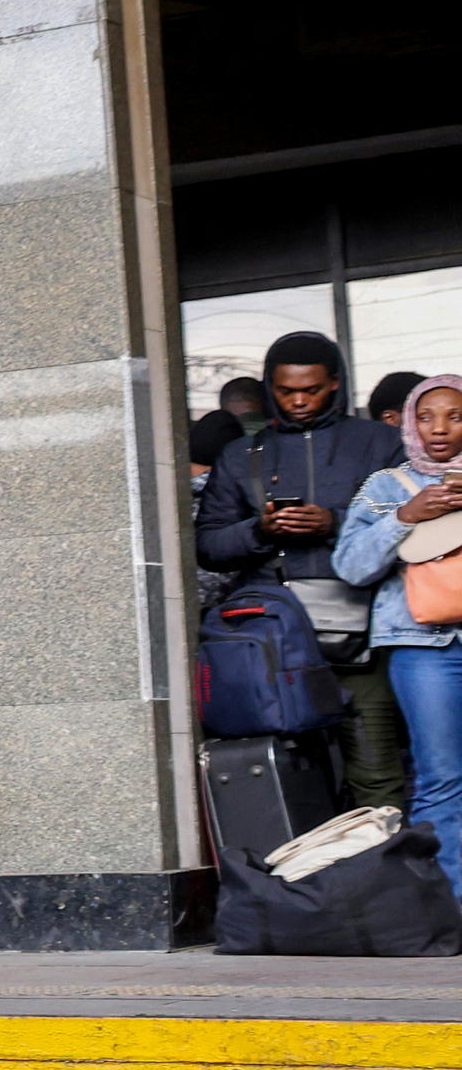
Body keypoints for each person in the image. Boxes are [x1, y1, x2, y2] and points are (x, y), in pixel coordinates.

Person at [195, 328, 408, 812]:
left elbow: (414, 531)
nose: (298, 401)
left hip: (363, 633)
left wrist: (334, 525)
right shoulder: (241, 454)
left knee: (376, 771)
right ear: (271, 386)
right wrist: (261, 530)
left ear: (335, 383)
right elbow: (207, 544)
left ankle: (380, 879)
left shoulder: (380, 443)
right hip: (272, 635)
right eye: (286, 390)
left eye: (310, 389)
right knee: (281, 774)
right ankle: (304, 881)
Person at [340, 375, 462, 851]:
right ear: (409, 424)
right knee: (442, 777)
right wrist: (405, 516)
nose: (439, 428)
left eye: (455, 416)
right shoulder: (386, 486)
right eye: (426, 416)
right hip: (421, 648)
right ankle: (451, 911)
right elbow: (350, 566)